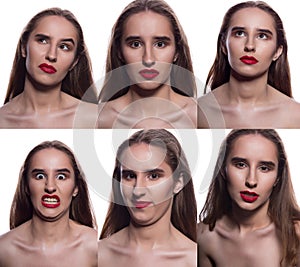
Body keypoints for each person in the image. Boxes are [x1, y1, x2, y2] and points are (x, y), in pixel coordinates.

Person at [198, 129, 300, 267]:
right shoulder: (204, 237)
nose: (251, 181)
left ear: (278, 177)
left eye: (264, 168)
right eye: (241, 165)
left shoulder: (296, 234)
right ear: (223, 169)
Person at [98, 129, 197, 266]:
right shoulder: (97, 254)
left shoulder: (195, 258)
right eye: (130, 176)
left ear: (178, 183)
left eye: (153, 176)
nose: (138, 190)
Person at [197, 1, 300, 128]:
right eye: (240, 33)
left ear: (278, 51)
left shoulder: (296, 116)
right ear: (223, 45)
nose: (250, 46)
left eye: (262, 36)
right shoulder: (196, 112)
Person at [97, 0, 197, 129]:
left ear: (177, 51)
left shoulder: (201, 115)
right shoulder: (97, 118)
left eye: (160, 44)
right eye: (136, 44)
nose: (148, 59)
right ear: (119, 52)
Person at [0, 141, 98, 266]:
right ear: (26, 186)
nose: (50, 187)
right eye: (40, 176)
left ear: (76, 188)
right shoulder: (4, 250)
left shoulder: (98, 248)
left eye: (61, 177)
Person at [0, 8, 98, 128]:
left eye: (64, 47)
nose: (51, 55)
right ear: (24, 48)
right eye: (43, 41)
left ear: (74, 61)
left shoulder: (96, 118)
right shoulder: (2, 120)